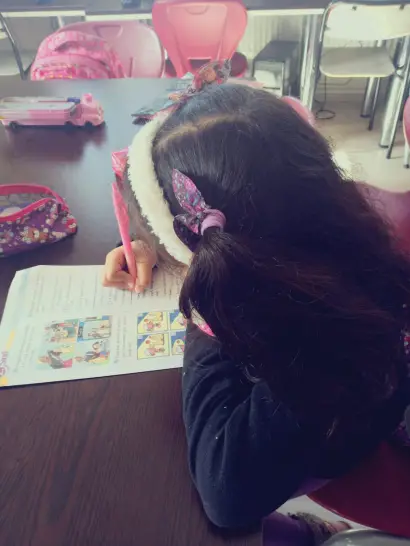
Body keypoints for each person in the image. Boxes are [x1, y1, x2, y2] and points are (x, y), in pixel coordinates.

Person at [102, 84, 410, 545]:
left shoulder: (324, 337)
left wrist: (203, 306)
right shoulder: (333, 216)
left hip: (370, 452)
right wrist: (152, 246)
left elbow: (226, 496)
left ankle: (309, 534)